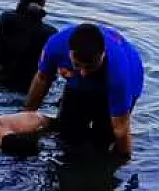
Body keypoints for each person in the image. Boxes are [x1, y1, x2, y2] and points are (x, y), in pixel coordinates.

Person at [24, 23, 144, 159]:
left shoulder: (119, 73)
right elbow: (42, 79)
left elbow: (120, 129)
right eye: (78, 65)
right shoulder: (55, 45)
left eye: (90, 67)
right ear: (69, 52)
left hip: (126, 77)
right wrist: (27, 116)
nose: (84, 73)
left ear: (103, 54)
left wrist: (125, 161)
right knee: (66, 134)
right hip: (78, 82)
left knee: (103, 142)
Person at [0, 0, 57, 92]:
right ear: (44, 1)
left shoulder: (5, 19)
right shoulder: (50, 33)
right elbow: (49, 72)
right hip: (29, 88)